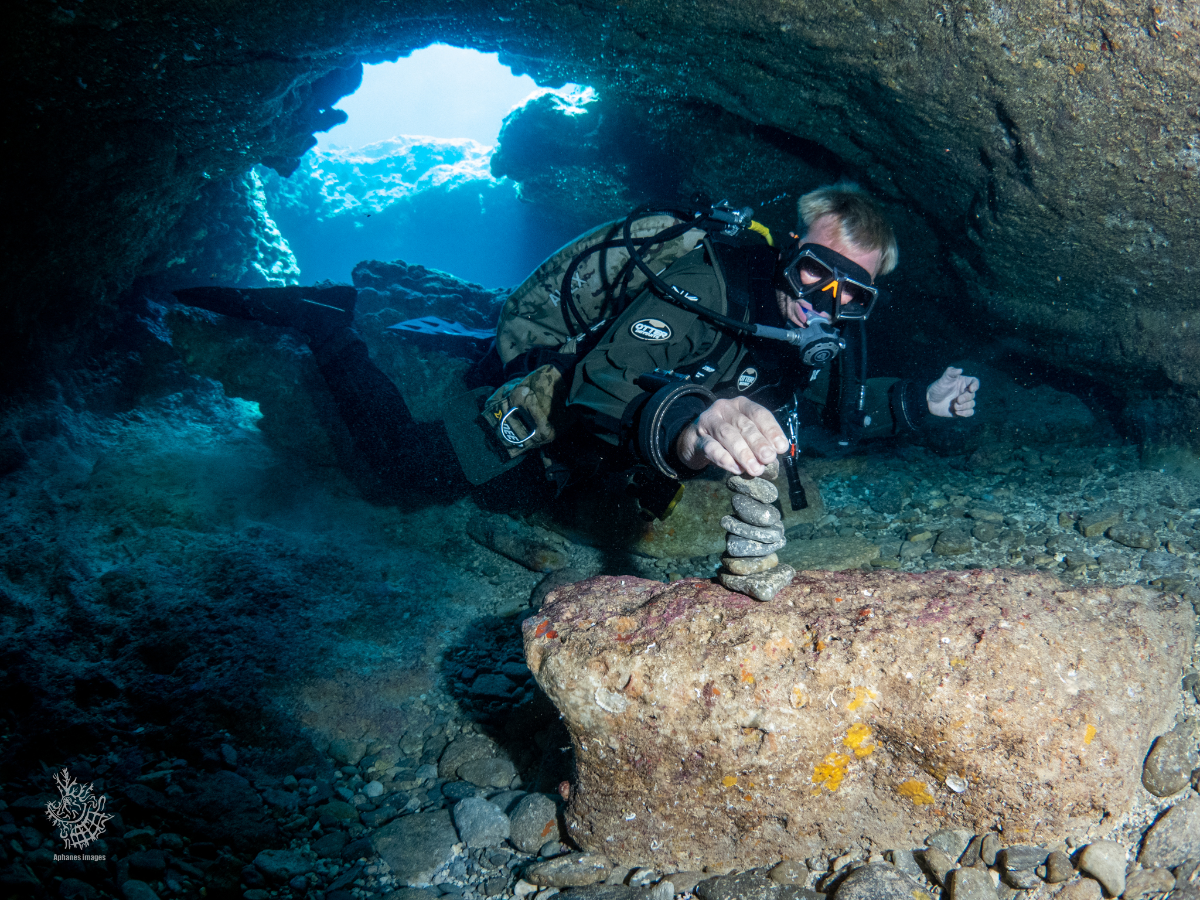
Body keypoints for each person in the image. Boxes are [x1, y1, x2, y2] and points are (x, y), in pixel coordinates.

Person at [174, 183, 978, 510]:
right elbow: (601, 381)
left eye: (851, 295)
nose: (820, 304)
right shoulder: (705, 281)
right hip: (559, 378)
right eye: (815, 272)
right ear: (786, 249)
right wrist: (693, 425)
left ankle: (432, 333)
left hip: (628, 429)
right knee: (402, 480)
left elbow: (824, 417)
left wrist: (919, 403)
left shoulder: (807, 328)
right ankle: (330, 326)